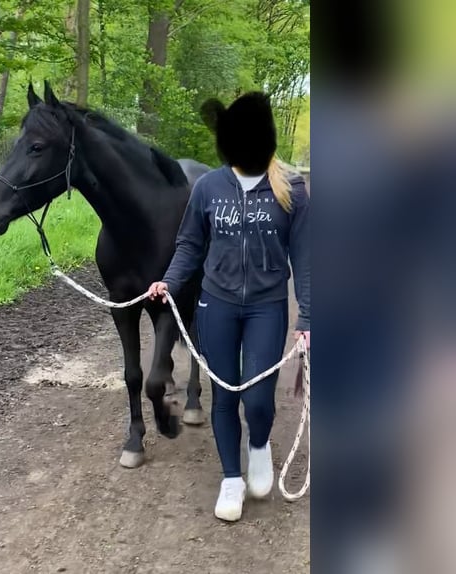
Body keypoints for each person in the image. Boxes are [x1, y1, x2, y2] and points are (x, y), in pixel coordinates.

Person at [147, 92, 310, 522]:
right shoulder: (207, 188)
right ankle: (231, 479)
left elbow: (305, 255)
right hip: (215, 304)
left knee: (257, 399)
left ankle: (259, 447)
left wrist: (307, 315)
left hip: (266, 308)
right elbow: (190, 244)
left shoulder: (291, 188)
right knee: (224, 395)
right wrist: (171, 280)